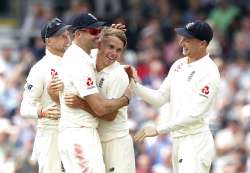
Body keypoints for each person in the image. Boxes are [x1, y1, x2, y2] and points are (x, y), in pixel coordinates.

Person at [129, 20, 220, 173]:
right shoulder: (179, 64)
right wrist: (132, 85)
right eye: (182, 37)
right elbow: (159, 98)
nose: (182, 42)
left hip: (195, 141)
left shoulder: (209, 71)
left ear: (203, 44)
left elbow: (194, 115)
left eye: (188, 39)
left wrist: (159, 129)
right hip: (178, 140)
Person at [57, 13, 132, 173]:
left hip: (85, 134)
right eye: (92, 31)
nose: (97, 35)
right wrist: (125, 99)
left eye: (98, 31)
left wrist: (110, 35)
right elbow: (100, 108)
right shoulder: (80, 62)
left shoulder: (82, 55)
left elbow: (102, 51)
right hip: (79, 133)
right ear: (77, 34)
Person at [20, 18, 71, 173]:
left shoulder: (74, 63)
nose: (67, 38)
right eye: (61, 35)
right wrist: (42, 111)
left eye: (67, 34)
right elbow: (24, 107)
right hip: (51, 132)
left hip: (74, 130)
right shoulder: (40, 69)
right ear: (48, 41)